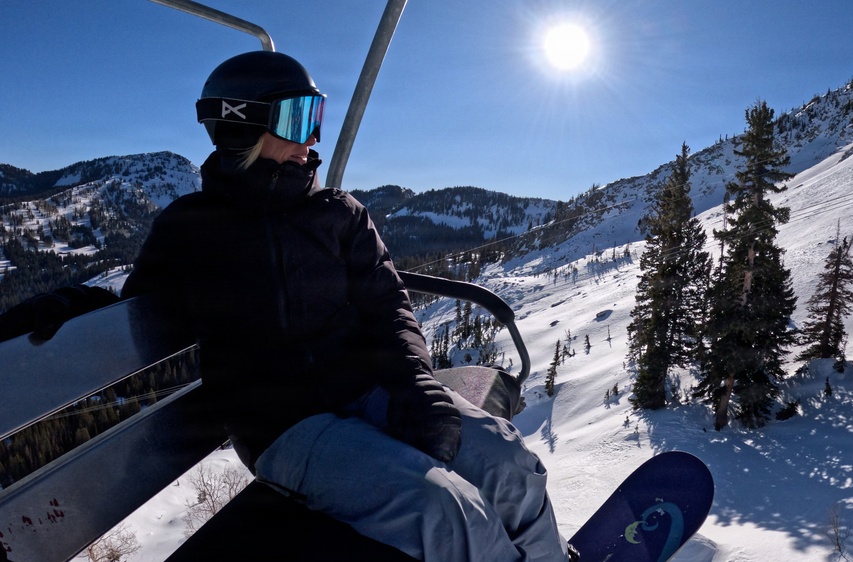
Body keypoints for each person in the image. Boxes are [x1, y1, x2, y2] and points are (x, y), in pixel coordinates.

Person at [115, 51, 571, 561]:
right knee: (447, 512)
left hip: (369, 388)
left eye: (316, 117)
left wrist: (416, 384)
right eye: (297, 119)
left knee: (509, 463)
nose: (312, 139)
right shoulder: (191, 227)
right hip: (283, 424)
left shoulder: (338, 212)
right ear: (240, 126)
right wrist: (66, 307)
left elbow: (388, 304)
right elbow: (137, 308)